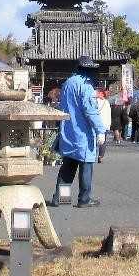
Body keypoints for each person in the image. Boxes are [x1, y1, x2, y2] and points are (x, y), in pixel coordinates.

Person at [54, 61, 103, 207]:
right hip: (83, 133)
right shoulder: (86, 85)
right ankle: (84, 199)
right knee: (86, 166)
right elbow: (90, 111)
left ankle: (61, 198)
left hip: (68, 131)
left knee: (67, 168)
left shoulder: (67, 83)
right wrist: (100, 130)